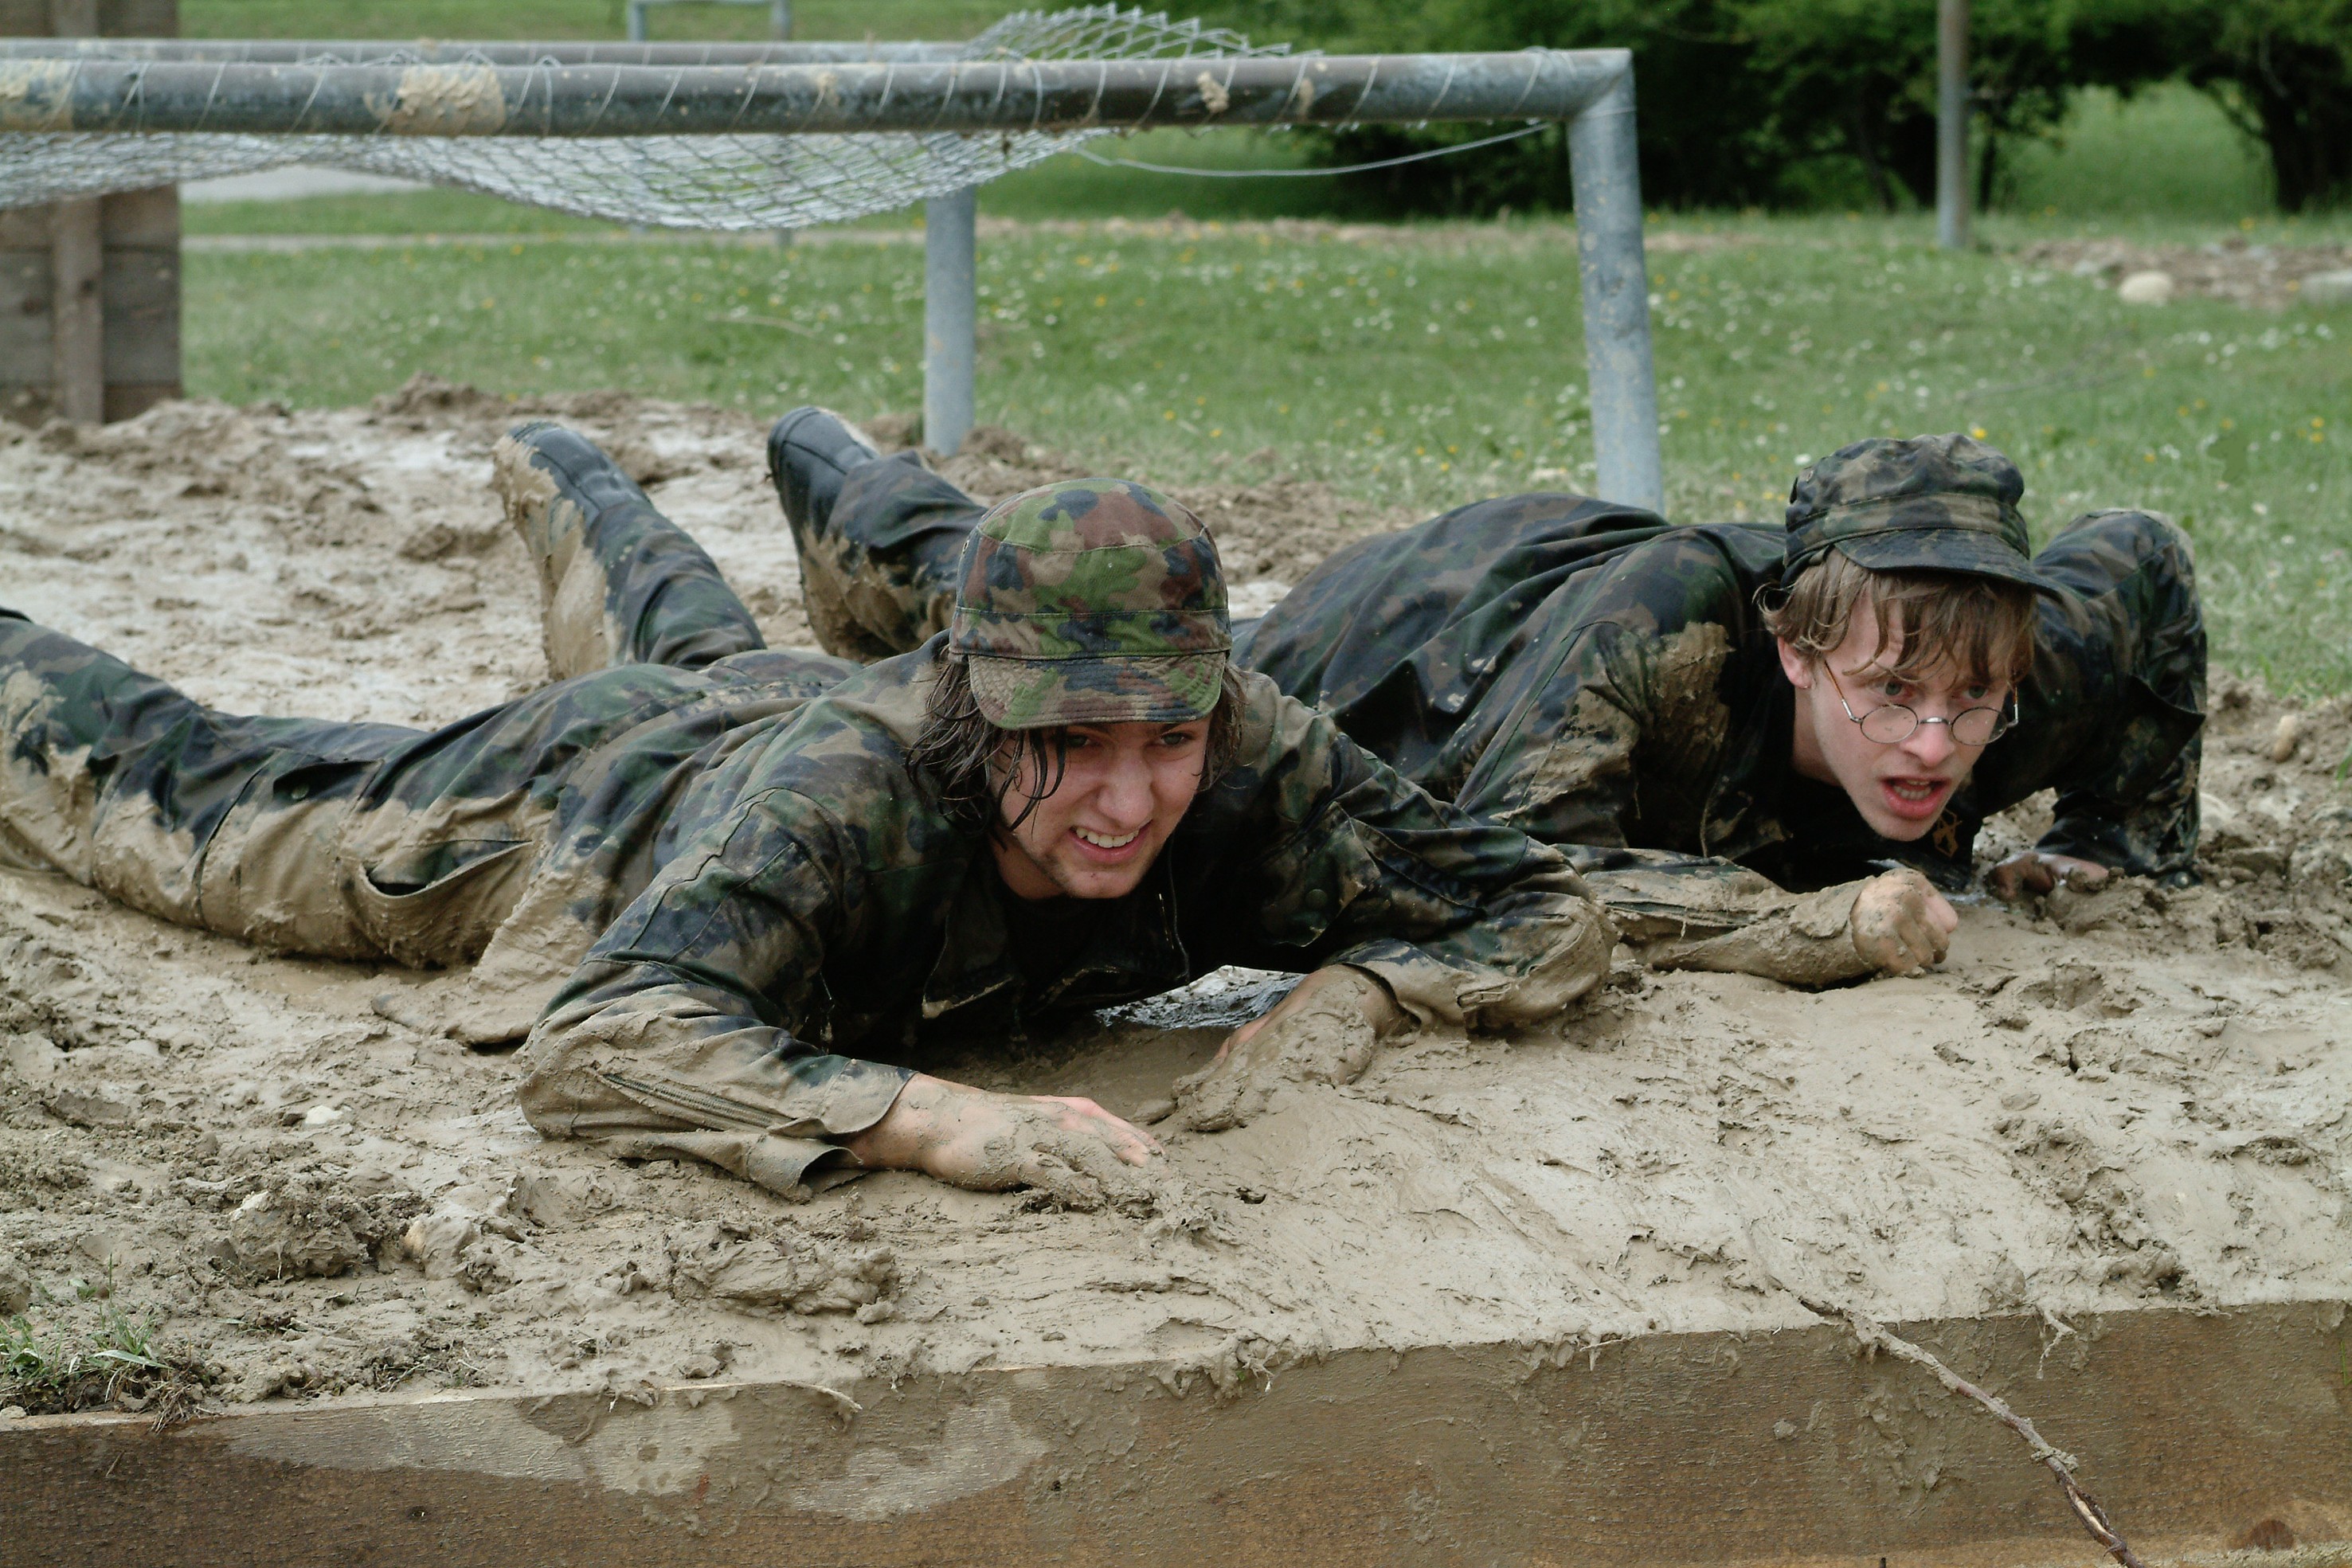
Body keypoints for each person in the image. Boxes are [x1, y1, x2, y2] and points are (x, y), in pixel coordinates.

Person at [0, 423, 1611, 1204]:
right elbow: (603, 1036)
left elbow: (1542, 903)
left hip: (764, 716)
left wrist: (1361, 987)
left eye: (1168, 739)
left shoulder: (1245, 741)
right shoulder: (852, 796)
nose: (1129, 798)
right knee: (178, 797)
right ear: (981, 704)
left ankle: (582, 479)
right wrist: (943, 1120)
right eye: (1075, 741)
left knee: (713, 659)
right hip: (599, 805)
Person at [773, 418, 2205, 987]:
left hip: (1547, 612)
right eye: (1887, 694)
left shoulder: (2008, 654)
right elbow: (1529, 867)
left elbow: (2141, 559)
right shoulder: (1664, 642)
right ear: (1792, 646)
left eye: (1971, 705)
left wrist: (2121, 835)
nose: (1932, 741)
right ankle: (836, 465)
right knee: (1008, 607)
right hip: (1401, 641)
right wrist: (1797, 921)